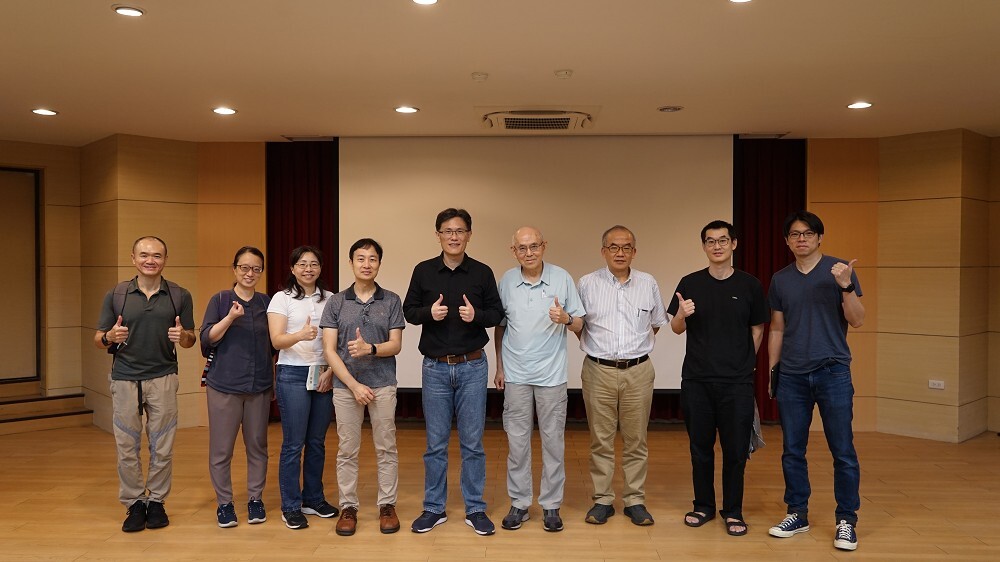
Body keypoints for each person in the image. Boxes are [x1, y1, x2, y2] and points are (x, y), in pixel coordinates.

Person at [766, 210, 864, 551]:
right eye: (795, 234)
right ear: (787, 241)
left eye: (808, 233)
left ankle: (846, 520)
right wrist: (773, 372)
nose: (802, 239)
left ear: (820, 237)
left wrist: (846, 286)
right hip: (792, 375)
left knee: (843, 450)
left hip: (833, 371)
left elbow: (858, 320)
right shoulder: (780, 279)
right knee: (792, 450)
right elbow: (777, 329)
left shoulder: (840, 270)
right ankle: (797, 513)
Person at [403, 208, 504, 536]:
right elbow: (409, 311)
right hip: (434, 368)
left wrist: (477, 316)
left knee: (473, 443)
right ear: (438, 235)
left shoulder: (482, 272)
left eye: (460, 231)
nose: (454, 236)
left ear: (469, 235)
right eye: (448, 231)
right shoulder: (423, 271)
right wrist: (428, 313)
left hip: (473, 366)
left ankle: (475, 508)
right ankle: (434, 508)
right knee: (435, 443)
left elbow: (496, 314)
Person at [666, 221, 767, 537]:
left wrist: (743, 363)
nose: (717, 246)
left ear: (734, 244)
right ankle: (703, 506)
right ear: (704, 247)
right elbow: (676, 328)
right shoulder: (690, 283)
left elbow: (758, 329)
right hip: (697, 380)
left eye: (723, 240)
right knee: (700, 448)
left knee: (735, 451)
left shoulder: (750, 285)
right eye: (710, 241)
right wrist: (682, 313)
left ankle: (733, 511)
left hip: (736, 383)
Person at [94, 235, 196, 532]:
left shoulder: (179, 295)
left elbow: (190, 338)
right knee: (127, 446)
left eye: (157, 255)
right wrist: (109, 337)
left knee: (162, 445)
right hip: (125, 378)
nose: (150, 260)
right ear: (133, 258)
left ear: (165, 259)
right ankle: (135, 503)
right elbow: (98, 339)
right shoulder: (117, 294)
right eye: (144, 255)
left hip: (163, 377)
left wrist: (183, 337)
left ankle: (157, 502)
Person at [494, 227, 585, 533]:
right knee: (517, 443)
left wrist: (566, 319)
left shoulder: (562, 278)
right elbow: (500, 327)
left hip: (551, 376)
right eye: (522, 248)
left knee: (553, 442)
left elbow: (580, 323)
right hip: (516, 375)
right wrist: (500, 367)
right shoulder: (506, 281)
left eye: (534, 246)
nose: (529, 253)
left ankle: (551, 505)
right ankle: (519, 503)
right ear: (513, 251)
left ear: (544, 246)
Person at [577, 225, 667, 526]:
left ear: (634, 252)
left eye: (626, 247)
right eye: (613, 247)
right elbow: (578, 324)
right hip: (598, 370)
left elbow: (656, 323)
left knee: (636, 440)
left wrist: (634, 349)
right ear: (603, 251)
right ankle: (602, 500)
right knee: (600, 440)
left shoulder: (647, 282)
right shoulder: (587, 283)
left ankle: (634, 500)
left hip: (638, 371)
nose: (620, 253)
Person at [320, 238, 405, 536]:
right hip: (346, 388)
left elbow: (395, 345)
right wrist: (354, 385)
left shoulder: (391, 300)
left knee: (386, 448)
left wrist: (370, 349)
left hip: (383, 385)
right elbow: (329, 350)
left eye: (372, 259)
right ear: (351, 263)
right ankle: (348, 507)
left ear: (379, 264)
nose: (366, 264)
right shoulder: (336, 302)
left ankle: (387, 505)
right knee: (347, 450)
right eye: (360, 258)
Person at [200, 246, 274, 528]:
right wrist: (230, 318)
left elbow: (274, 343)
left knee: (257, 446)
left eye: (256, 268)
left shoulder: (267, 302)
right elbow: (207, 339)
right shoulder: (220, 300)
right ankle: (225, 504)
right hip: (224, 386)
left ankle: (255, 499)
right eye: (244, 267)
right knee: (222, 450)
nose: (249, 273)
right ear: (234, 269)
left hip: (259, 386)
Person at [267, 245, 339, 530]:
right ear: (292, 268)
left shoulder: (331, 299)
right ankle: (290, 506)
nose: (308, 269)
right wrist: (300, 334)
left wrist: (331, 370)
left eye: (314, 264)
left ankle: (313, 499)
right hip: (292, 374)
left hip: (323, 373)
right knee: (294, 444)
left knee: (317, 442)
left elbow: (337, 342)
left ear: (320, 268)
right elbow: (276, 340)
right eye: (302, 264)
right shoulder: (282, 298)